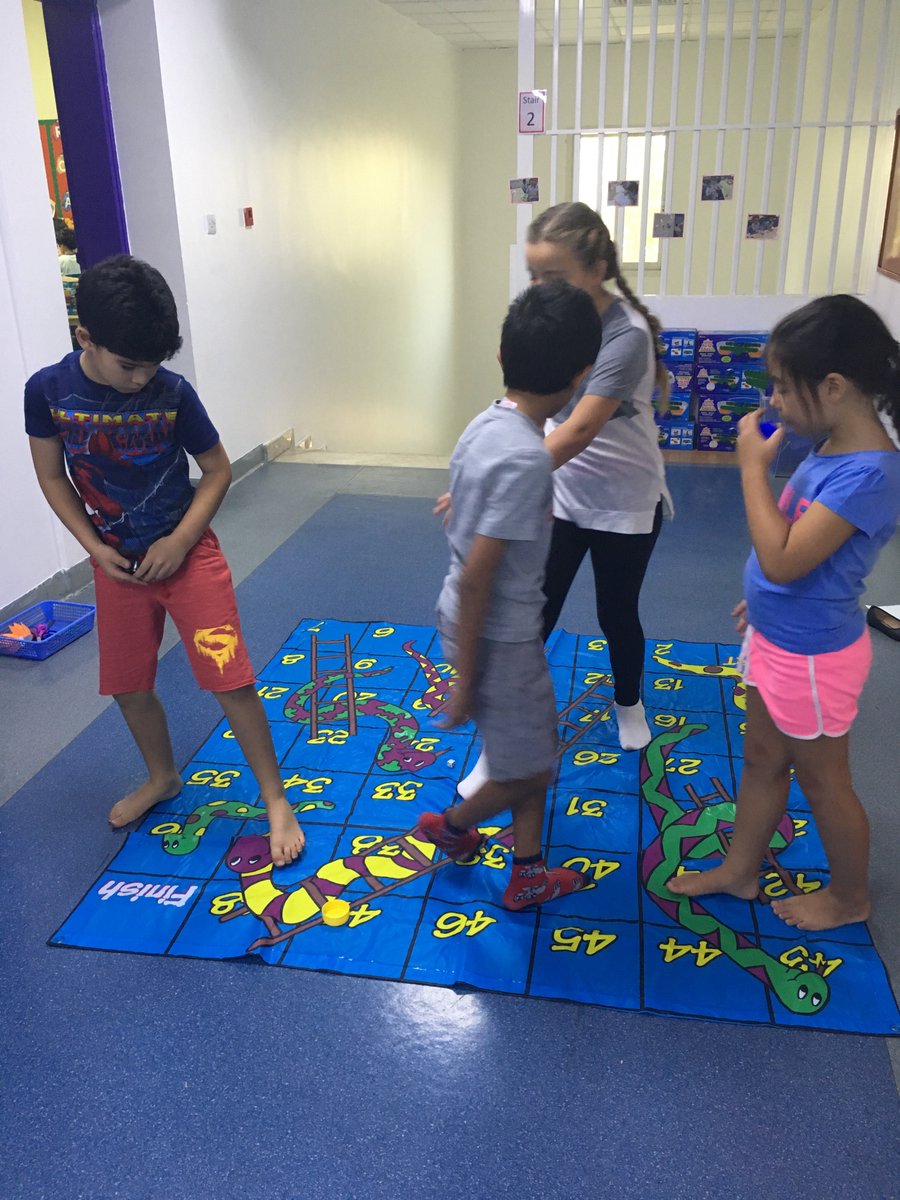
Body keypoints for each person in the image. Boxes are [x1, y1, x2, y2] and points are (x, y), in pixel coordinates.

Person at [24, 255, 305, 866]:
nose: (141, 377)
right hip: (115, 567)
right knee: (127, 685)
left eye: (154, 364)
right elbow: (50, 474)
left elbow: (218, 469)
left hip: (188, 554)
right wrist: (94, 549)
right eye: (129, 365)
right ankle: (162, 777)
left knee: (229, 680)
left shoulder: (172, 394)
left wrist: (179, 541)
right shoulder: (47, 392)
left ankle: (276, 798)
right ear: (86, 339)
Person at [668, 295, 900, 932]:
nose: (772, 401)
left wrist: (750, 469)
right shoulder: (830, 447)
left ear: (833, 386)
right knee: (763, 759)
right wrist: (766, 606)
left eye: (780, 387)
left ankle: (850, 897)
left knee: (826, 784)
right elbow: (799, 556)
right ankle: (740, 869)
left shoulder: (872, 474)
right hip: (782, 638)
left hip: (816, 657)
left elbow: (783, 559)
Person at [416, 280, 603, 910]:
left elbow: (467, 513)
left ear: (501, 356)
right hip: (499, 634)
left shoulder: (485, 426)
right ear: (580, 376)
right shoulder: (527, 458)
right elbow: (479, 577)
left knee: (524, 746)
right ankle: (456, 824)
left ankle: (527, 869)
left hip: (483, 623)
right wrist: (467, 680)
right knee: (535, 764)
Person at [527, 201, 672, 752]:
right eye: (533, 275)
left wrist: (492, 480)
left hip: (625, 501)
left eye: (555, 277)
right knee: (535, 609)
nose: (541, 288)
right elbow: (530, 399)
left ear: (597, 270)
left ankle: (629, 702)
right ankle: (519, 717)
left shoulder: (626, 335)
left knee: (616, 612)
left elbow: (578, 430)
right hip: (562, 493)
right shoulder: (548, 318)